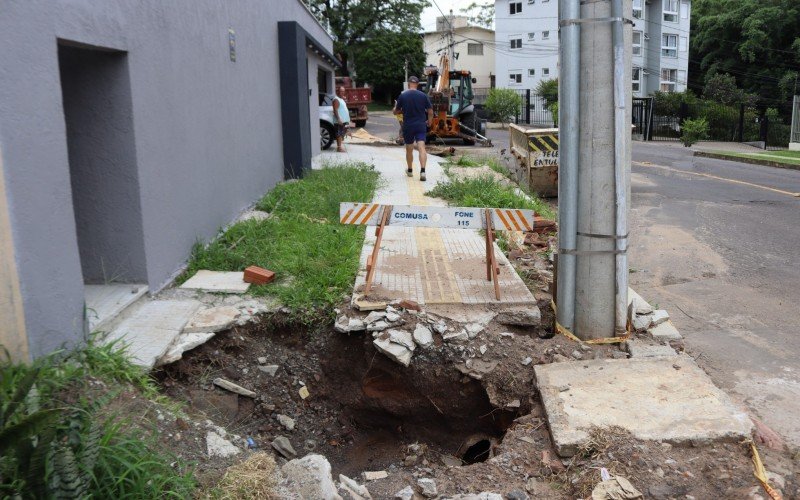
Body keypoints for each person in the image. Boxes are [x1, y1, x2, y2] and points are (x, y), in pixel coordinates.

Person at [393, 76, 433, 181]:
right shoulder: (423, 96)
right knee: (421, 147)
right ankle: (423, 171)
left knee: (409, 149)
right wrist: (430, 122)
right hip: (420, 125)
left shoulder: (403, 96)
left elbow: (396, 112)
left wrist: (399, 109)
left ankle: (410, 170)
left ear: (409, 84)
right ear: (418, 84)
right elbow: (430, 111)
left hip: (408, 126)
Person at [333, 86, 350, 152]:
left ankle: (339, 146)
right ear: (338, 91)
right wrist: (338, 119)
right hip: (339, 121)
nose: (343, 92)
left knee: (342, 133)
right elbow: (335, 110)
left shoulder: (341, 99)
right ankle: (339, 148)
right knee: (339, 134)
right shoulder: (336, 99)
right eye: (341, 91)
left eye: (343, 91)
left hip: (344, 120)